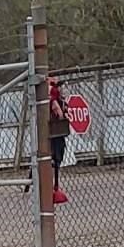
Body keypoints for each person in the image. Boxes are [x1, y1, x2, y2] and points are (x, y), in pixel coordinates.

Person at [44, 77, 73, 207]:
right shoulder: (52, 94)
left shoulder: (54, 96)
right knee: (55, 156)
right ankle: (52, 187)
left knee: (52, 156)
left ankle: (51, 185)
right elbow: (57, 109)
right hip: (55, 130)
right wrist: (61, 116)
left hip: (51, 130)